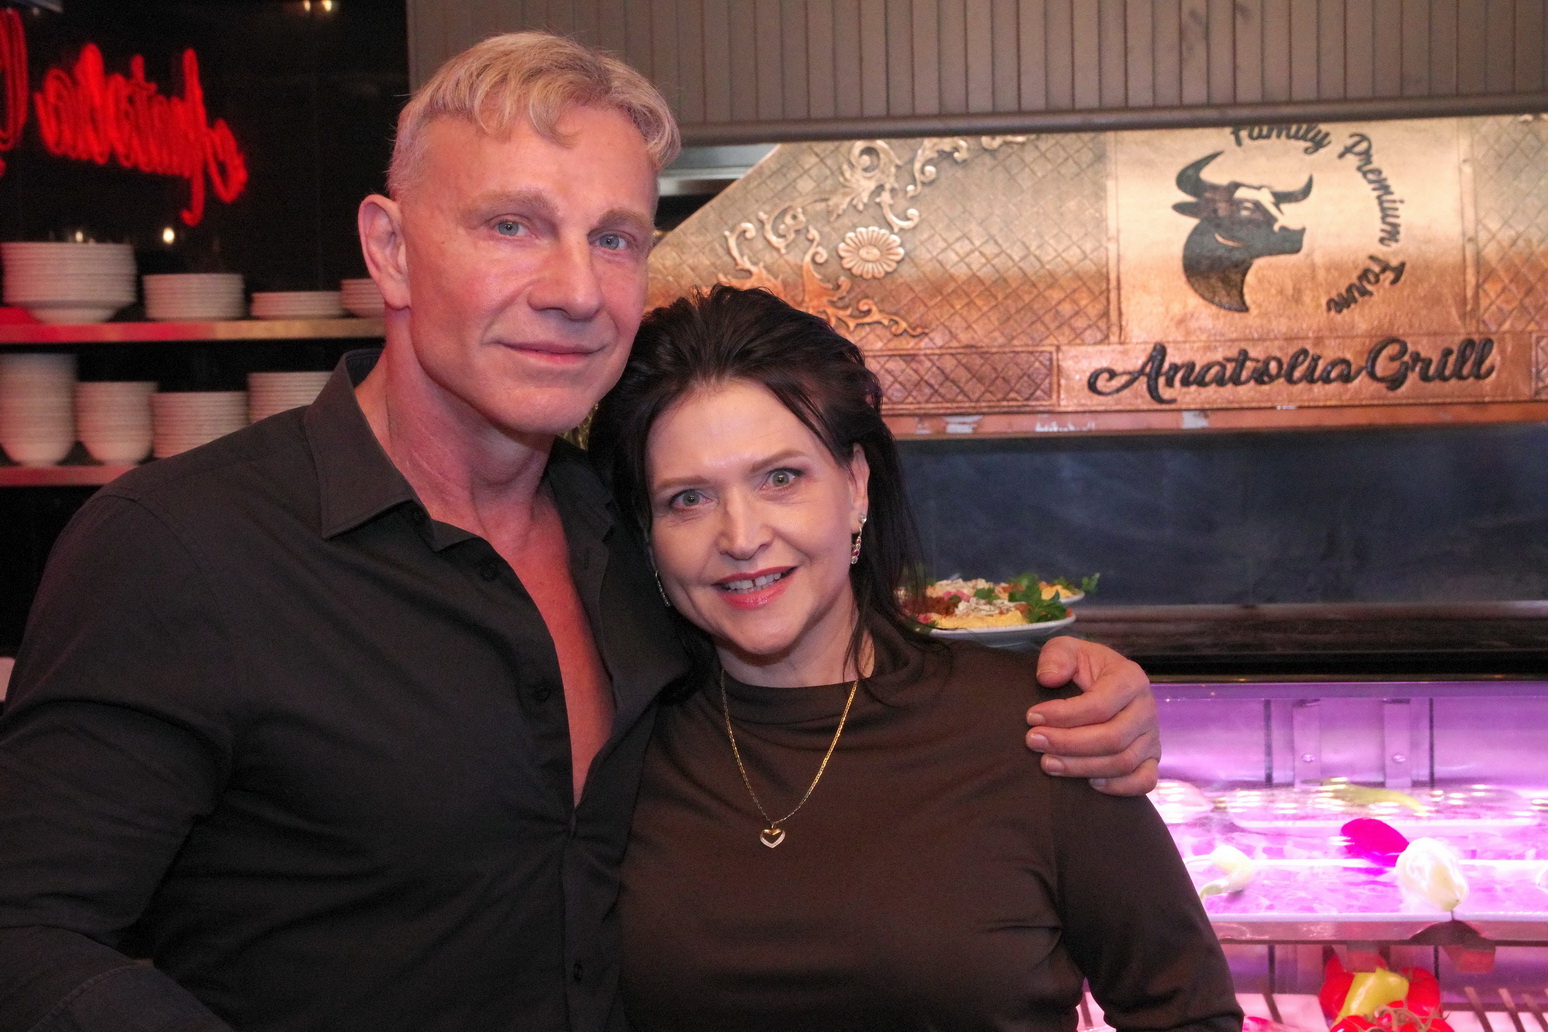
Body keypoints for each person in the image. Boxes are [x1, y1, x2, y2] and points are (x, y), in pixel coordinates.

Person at [0, 33, 1160, 1032]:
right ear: (390, 249)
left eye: (615, 238)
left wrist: (1066, 697)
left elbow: (819, 699)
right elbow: (26, 933)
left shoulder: (633, 535)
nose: (575, 289)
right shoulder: (184, 550)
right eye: (513, 225)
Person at [587, 284, 1241, 1032]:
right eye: (688, 499)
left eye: (781, 478)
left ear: (855, 486)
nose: (741, 537)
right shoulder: (614, 749)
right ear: (647, 535)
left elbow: (1188, 1013)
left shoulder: (1039, 734)